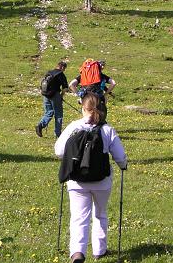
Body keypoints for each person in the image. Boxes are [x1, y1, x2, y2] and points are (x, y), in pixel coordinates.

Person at [55, 93, 127, 262]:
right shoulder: (107, 129)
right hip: (101, 181)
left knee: (79, 217)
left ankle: (77, 253)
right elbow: (120, 156)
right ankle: (99, 250)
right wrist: (123, 165)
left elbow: (59, 151)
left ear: (83, 108)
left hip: (77, 181)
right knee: (100, 214)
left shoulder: (74, 126)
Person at [35, 61, 69, 138]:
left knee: (49, 112)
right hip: (55, 95)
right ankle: (58, 134)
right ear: (62, 67)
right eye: (64, 69)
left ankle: (40, 125)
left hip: (46, 95)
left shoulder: (49, 72)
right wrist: (61, 96)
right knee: (58, 114)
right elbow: (65, 88)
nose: (64, 70)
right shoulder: (61, 74)